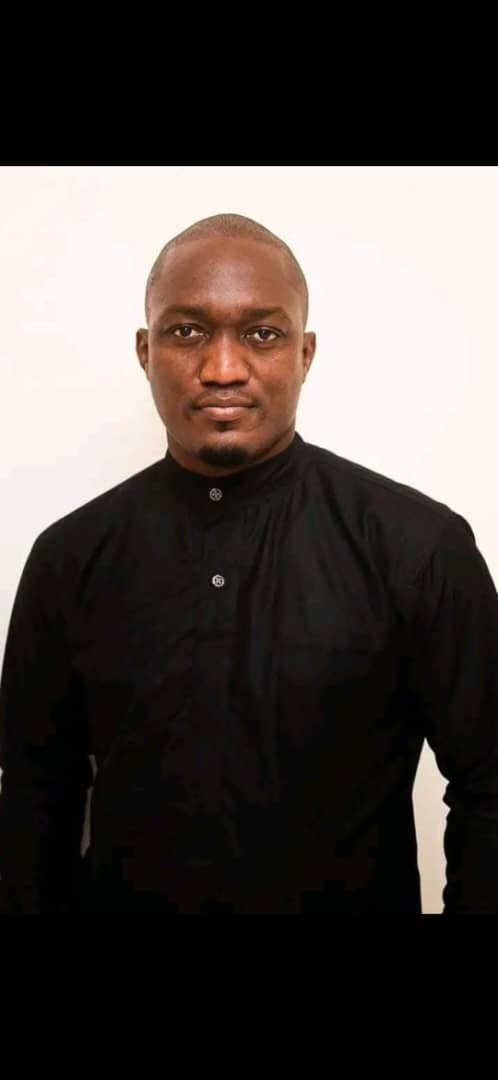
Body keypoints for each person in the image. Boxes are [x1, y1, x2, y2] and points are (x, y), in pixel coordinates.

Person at [1, 213, 497, 915]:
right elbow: (34, 795)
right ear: (145, 350)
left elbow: (488, 784)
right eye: (187, 331)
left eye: (262, 334)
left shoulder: (419, 547)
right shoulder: (69, 557)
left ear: (305, 353)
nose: (223, 369)